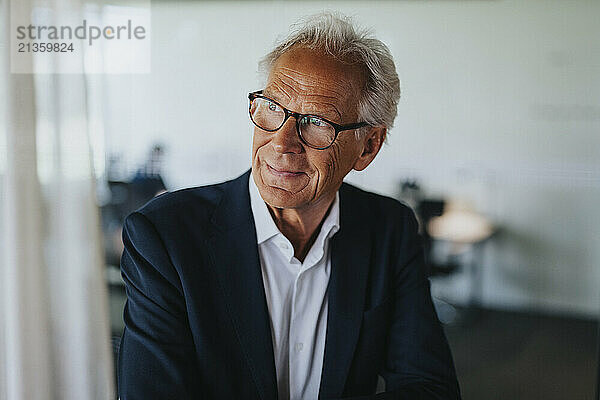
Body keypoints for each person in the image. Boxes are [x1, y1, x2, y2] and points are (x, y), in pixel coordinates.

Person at [118, 12, 461, 400]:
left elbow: (430, 387)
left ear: (368, 146)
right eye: (272, 108)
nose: (281, 143)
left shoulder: (390, 229)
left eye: (316, 121)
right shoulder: (164, 236)